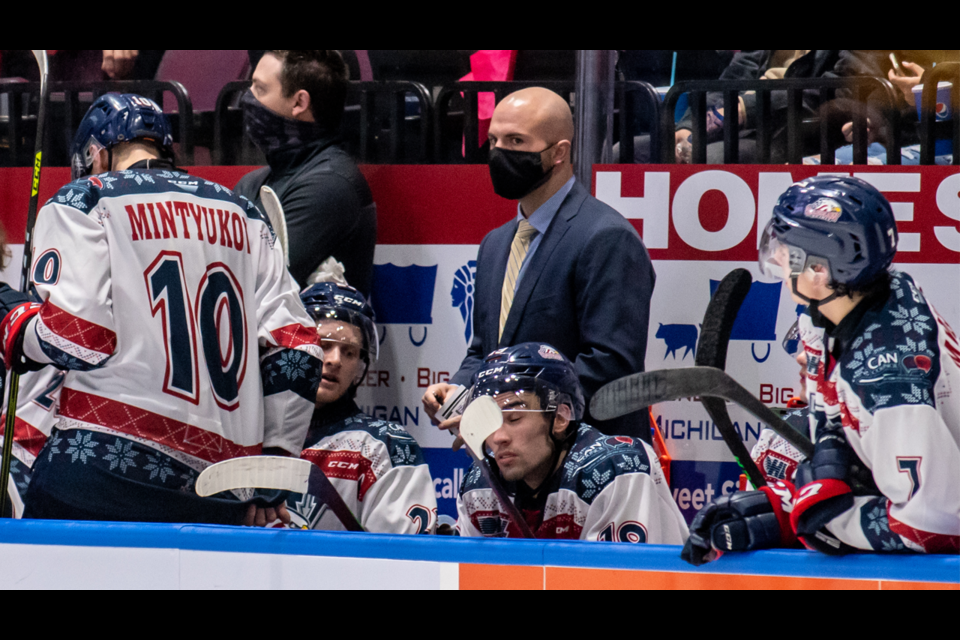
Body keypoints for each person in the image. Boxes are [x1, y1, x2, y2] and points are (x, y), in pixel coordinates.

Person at [0, 93, 323, 526]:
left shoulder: (85, 199)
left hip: (104, 469)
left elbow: (76, 337)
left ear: (97, 154)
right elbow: (298, 352)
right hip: (222, 487)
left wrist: (15, 322)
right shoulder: (245, 214)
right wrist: (272, 469)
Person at [682, 176, 960, 565]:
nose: (777, 257)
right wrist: (805, 490)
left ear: (820, 271)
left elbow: (936, 524)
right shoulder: (842, 307)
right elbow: (830, 412)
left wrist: (821, 520)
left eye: (788, 249)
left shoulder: (888, 382)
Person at [422, 87, 656, 441]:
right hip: (510, 459)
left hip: (585, 457)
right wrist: (459, 391)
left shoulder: (606, 237)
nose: (500, 153)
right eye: (494, 140)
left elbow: (610, 367)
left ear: (559, 152)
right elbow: (486, 351)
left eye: (516, 141)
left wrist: (506, 408)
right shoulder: (495, 244)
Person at [456, 343, 689, 543]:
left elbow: (622, 580)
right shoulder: (479, 485)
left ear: (559, 418)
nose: (498, 438)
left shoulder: (618, 469)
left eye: (514, 418)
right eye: (489, 422)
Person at [280, 282, 438, 534]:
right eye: (324, 344)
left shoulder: (387, 446)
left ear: (360, 367)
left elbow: (400, 563)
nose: (334, 360)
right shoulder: (252, 435)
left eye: (350, 352)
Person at [234, 50, 377, 294]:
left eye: (260, 89)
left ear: (299, 102)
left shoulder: (331, 185)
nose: (246, 100)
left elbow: (252, 283)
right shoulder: (253, 183)